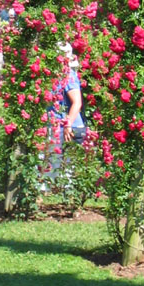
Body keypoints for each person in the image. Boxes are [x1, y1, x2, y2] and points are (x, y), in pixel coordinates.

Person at [41, 42, 86, 188]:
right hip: (58, 124)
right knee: (54, 162)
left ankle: (51, 192)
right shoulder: (54, 75)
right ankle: (54, 191)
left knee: (60, 164)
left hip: (68, 127)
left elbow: (77, 102)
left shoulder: (68, 76)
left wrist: (68, 125)